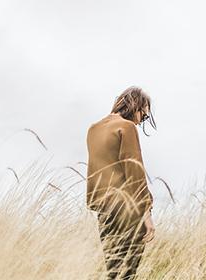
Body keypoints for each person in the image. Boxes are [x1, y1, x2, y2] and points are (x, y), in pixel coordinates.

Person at [86, 86, 157, 279]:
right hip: (127, 210)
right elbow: (134, 171)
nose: (142, 119)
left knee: (114, 271)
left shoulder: (93, 129)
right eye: (144, 114)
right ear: (135, 105)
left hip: (104, 211)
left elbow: (94, 171)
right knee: (128, 273)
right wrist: (146, 213)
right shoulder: (126, 127)